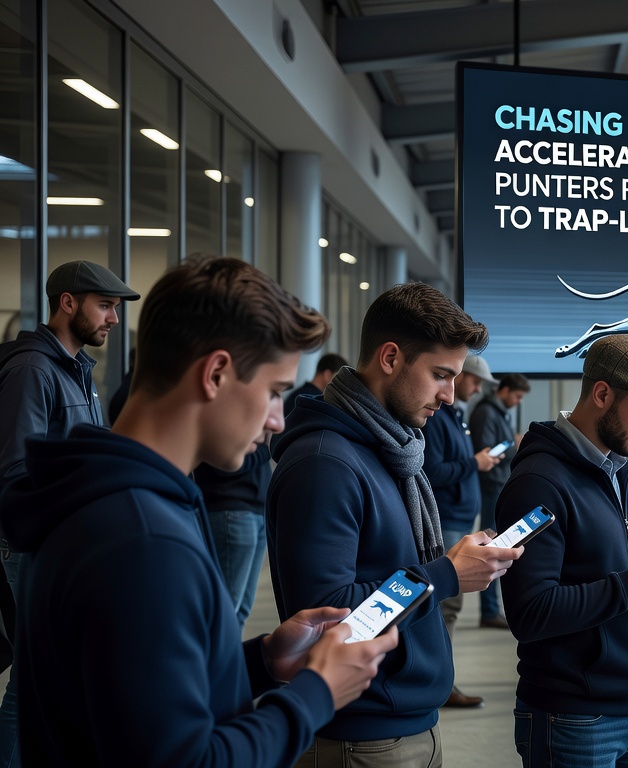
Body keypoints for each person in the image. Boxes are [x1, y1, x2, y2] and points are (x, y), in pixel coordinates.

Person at [0, 255, 397, 766]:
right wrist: (317, 693)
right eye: (275, 393)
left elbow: (129, 704)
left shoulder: (100, 498)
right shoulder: (145, 540)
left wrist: (257, 662)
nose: (278, 420)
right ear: (215, 373)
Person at [267, 282, 522, 766]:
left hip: (407, 721)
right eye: (440, 375)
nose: (449, 396)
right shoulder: (325, 464)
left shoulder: (394, 450)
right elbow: (330, 620)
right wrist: (445, 574)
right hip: (362, 737)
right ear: (390, 358)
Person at [496, 334, 628, 768]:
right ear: (602, 394)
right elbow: (530, 613)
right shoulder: (537, 484)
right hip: (573, 717)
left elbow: (619, 587)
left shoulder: (624, 474)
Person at [0, 259, 139, 766]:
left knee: (50, 678)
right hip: (35, 546)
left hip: (65, 542)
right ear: (67, 303)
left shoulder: (77, 371)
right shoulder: (33, 370)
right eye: (105, 306)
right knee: (33, 681)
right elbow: (17, 470)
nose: (114, 319)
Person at [422, 353, 503, 708]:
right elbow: (434, 471)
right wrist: (475, 462)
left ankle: (441, 681)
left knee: (448, 607)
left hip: (458, 517)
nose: (467, 389)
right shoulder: (437, 419)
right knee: (446, 606)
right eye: (470, 380)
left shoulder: (455, 416)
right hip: (447, 518)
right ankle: (441, 684)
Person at [469, 371, 531, 628]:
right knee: (492, 545)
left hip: (498, 485)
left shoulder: (496, 412)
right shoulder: (486, 412)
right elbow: (487, 450)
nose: (517, 402)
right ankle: (489, 610)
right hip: (491, 486)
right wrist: (512, 445)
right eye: (516, 396)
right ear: (503, 390)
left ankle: (492, 609)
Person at [193, 441, 273, 627]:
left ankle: (230, 656)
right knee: (226, 612)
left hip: (256, 511)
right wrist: (263, 450)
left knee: (241, 611)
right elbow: (230, 464)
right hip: (232, 511)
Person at [283, 352, 348, 417]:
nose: (342, 385)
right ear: (327, 375)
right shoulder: (316, 402)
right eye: (339, 379)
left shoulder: (299, 395)